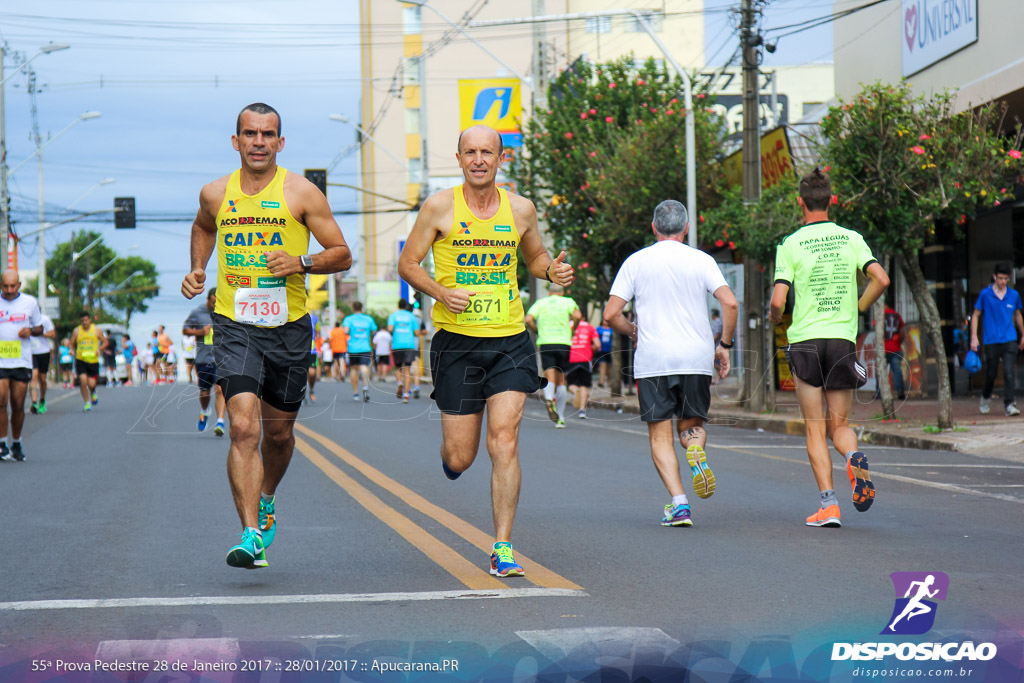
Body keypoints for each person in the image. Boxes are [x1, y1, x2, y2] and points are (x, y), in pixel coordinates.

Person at [397, 124, 574, 578]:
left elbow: (534, 258)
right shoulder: (439, 207)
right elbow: (408, 263)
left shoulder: (521, 210)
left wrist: (551, 271)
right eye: (470, 152)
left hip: (510, 340)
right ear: (458, 158)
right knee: (461, 457)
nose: (479, 159)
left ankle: (503, 546)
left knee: (505, 440)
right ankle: (451, 460)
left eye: (487, 152)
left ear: (500, 159)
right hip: (456, 343)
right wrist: (440, 291)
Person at [181, 102, 352, 569]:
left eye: (268, 134)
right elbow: (202, 226)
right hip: (235, 325)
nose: (259, 141)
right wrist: (198, 267)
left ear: (280, 142)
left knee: (278, 436)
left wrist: (301, 262)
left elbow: (341, 253)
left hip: (289, 328)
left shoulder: (302, 194)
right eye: (250, 134)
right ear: (235, 142)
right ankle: (251, 533)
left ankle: (268, 495)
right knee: (242, 427)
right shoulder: (216, 193)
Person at [603, 200, 738, 527]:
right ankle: (695, 452)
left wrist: (634, 331)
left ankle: (679, 505)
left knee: (660, 436)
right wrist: (724, 345)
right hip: (696, 357)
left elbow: (610, 314)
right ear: (686, 228)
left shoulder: (636, 261)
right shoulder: (702, 259)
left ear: (654, 227)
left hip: (654, 360)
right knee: (691, 426)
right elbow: (730, 303)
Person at [769, 168, 890, 528]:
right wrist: (859, 306)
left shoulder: (790, 244)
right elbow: (880, 278)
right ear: (832, 201)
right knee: (840, 425)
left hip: (805, 340)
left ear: (800, 203)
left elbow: (779, 298)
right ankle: (853, 455)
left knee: (813, 426)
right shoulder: (851, 238)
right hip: (841, 339)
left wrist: (776, 318)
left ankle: (829, 505)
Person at [0, 270, 43, 461]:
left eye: (12, 286)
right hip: (1, 360)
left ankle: (16, 442)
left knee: (17, 405)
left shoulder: (30, 302)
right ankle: (2, 444)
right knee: (0, 402)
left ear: (19, 285)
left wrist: (30, 330)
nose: (9, 290)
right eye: (5, 286)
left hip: (21, 361)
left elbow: (40, 327)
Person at [970, 263, 1024, 416]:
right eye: (1000, 278)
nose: (1003, 282)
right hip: (991, 340)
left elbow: (1018, 315)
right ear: (995, 276)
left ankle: (1009, 404)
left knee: (1008, 372)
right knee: (991, 373)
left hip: (1009, 339)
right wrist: (974, 337)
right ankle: (986, 397)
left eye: (1006, 279)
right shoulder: (985, 295)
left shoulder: (1014, 295)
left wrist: (1023, 335)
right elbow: (976, 315)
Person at [525, 284, 581, 428]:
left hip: (546, 342)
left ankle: (549, 399)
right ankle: (561, 418)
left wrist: (537, 330)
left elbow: (528, 319)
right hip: (563, 342)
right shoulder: (568, 301)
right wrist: (573, 328)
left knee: (550, 375)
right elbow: (577, 315)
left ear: (549, 292)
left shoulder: (541, 303)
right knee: (561, 379)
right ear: (561, 292)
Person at [183, 288, 227, 435]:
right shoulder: (198, 313)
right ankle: (204, 411)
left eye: (218, 302)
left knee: (220, 390)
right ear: (208, 299)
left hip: (220, 358)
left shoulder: (225, 311)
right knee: (204, 392)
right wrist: (200, 332)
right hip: (203, 358)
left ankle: (220, 422)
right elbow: (185, 329)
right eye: (213, 302)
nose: (215, 305)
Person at [70, 311, 106, 412]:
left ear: (90, 320)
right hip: (80, 359)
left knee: (91, 384)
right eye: (82, 321)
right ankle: (87, 403)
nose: (84, 322)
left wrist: (100, 349)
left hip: (93, 360)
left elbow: (105, 342)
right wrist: (71, 349)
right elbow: (72, 343)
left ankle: (93, 392)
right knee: (83, 381)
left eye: (86, 320)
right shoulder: (77, 331)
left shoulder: (96, 330)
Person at [388, 298, 423, 402]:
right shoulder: (411, 316)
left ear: (398, 306)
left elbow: (390, 329)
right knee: (407, 370)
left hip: (397, 345)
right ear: (406, 306)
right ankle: (406, 395)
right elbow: (417, 333)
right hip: (409, 345)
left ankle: (399, 383)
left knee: (398, 367)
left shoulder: (393, 316)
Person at [342, 301, 377, 402]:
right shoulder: (368, 319)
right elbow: (374, 331)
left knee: (353, 369)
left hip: (353, 348)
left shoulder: (348, 319)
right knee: (364, 367)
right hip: (365, 347)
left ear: (353, 308)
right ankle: (365, 386)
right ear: (362, 308)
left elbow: (346, 331)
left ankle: (355, 393)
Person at [566, 317, 600, 419]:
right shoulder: (589, 327)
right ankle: (582, 410)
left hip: (571, 358)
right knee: (584, 385)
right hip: (585, 359)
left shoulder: (567, 325)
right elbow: (598, 345)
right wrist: (590, 349)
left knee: (571, 384)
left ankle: (576, 392)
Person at [29, 311, 56, 414]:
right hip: (31, 352)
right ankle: (34, 403)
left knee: (43, 379)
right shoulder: (26, 320)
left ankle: (42, 400)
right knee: (34, 376)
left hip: (44, 352)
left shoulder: (45, 319)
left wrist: (41, 333)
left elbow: (53, 334)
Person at [882, 304, 906, 401]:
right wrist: (898, 343)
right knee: (897, 372)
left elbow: (878, 330)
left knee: (881, 371)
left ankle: (880, 393)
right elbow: (902, 332)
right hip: (895, 348)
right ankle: (900, 392)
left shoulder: (880, 315)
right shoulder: (897, 315)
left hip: (883, 348)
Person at [307, 310, 320, 403]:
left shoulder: (315, 318)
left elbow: (318, 334)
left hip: (311, 349)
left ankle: (311, 389)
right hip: (296, 348)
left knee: (312, 373)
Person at [595, 321, 614, 388]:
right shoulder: (599, 329)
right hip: (601, 350)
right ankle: (601, 381)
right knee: (602, 365)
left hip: (610, 350)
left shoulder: (612, 329)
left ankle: (609, 381)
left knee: (609, 368)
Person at [710, 308, 723, 384]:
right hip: (716, 344)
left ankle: (721, 373)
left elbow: (717, 334)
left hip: (717, 345)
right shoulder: (717, 321)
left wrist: (712, 342)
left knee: (714, 361)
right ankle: (718, 376)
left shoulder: (717, 322)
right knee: (715, 361)